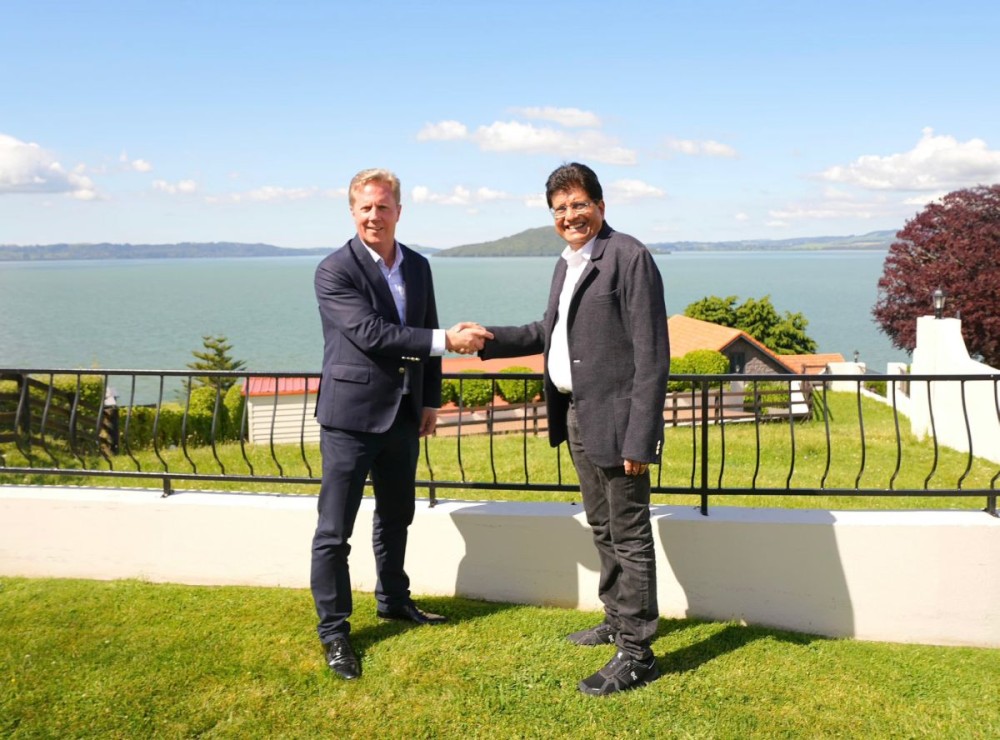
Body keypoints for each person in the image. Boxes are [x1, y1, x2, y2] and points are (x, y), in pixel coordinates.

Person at [480, 162, 669, 696]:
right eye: (560, 209)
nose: (570, 215)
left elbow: (653, 355)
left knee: (629, 534)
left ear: (601, 206)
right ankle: (616, 620)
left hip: (618, 421)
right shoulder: (567, 265)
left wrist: (641, 439)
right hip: (576, 414)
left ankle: (637, 652)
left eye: (579, 204)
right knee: (602, 526)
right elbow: (549, 332)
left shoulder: (628, 257)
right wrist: (489, 339)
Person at [311, 167, 491, 680]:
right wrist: (445, 341)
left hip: (402, 416)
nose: (374, 215)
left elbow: (424, 320)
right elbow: (372, 333)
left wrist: (431, 399)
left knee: (397, 516)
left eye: (383, 206)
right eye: (365, 207)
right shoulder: (334, 270)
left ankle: (393, 599)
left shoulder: (418, 266)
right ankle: (336, 633)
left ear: (399, 210)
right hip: (349, 419)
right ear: (352, 211)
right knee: (333, 533)